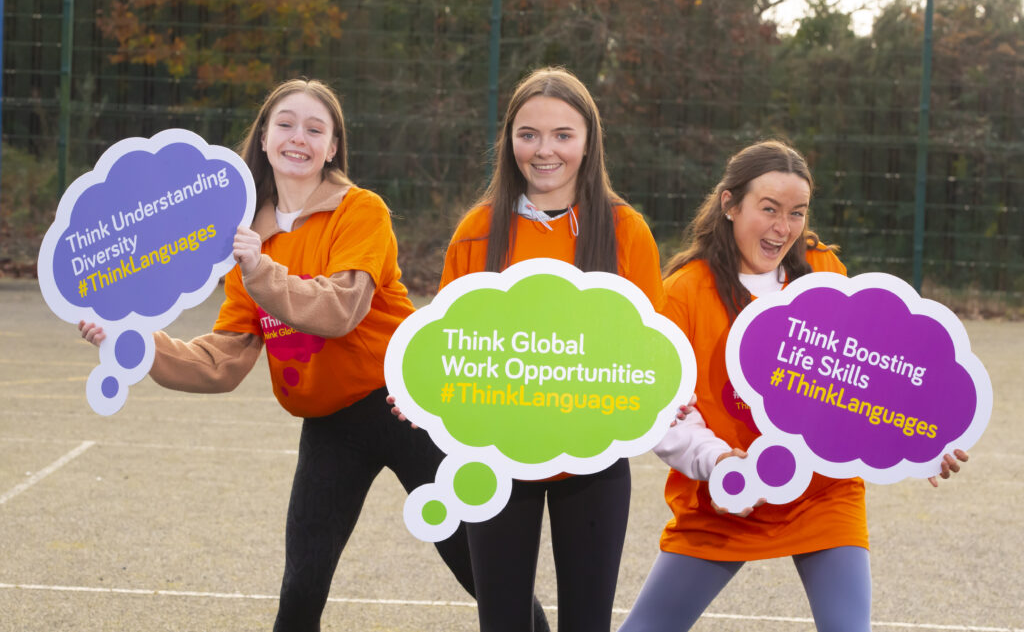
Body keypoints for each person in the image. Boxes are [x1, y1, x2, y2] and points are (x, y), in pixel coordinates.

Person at [78, 78, 550, 632]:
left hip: (409, 407)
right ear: (263, 138)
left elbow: (342, 307)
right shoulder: (245, 238)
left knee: (482, 572)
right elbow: (224, 358)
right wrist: (133, 343)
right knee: (301, 587)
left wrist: (261, 272)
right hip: (330, 422)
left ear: (332, 147)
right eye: (284, 124)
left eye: (314, 128)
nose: (297, 137)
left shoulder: (361, 211)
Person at [617, 140, 968, 632]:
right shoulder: (682, 293)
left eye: (797, 213)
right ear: (729, 205)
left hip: (822, 496)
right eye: (769, 209)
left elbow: (866, 376)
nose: (784, 228)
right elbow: (667, 413)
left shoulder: (824, 271)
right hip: (727, 495)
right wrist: (719, 462)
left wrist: (928, 435)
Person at [433, 66, 666, 632]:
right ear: (510, 140)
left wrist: (664, 396)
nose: (545, 151)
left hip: (594, 463)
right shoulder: (477, 229)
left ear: (588, 143)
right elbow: (447, 346)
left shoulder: (625, 230)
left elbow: (651, 349)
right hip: (497, 459)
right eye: (528, 134)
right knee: (503, 622)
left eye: (563, 134)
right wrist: (422, 397)